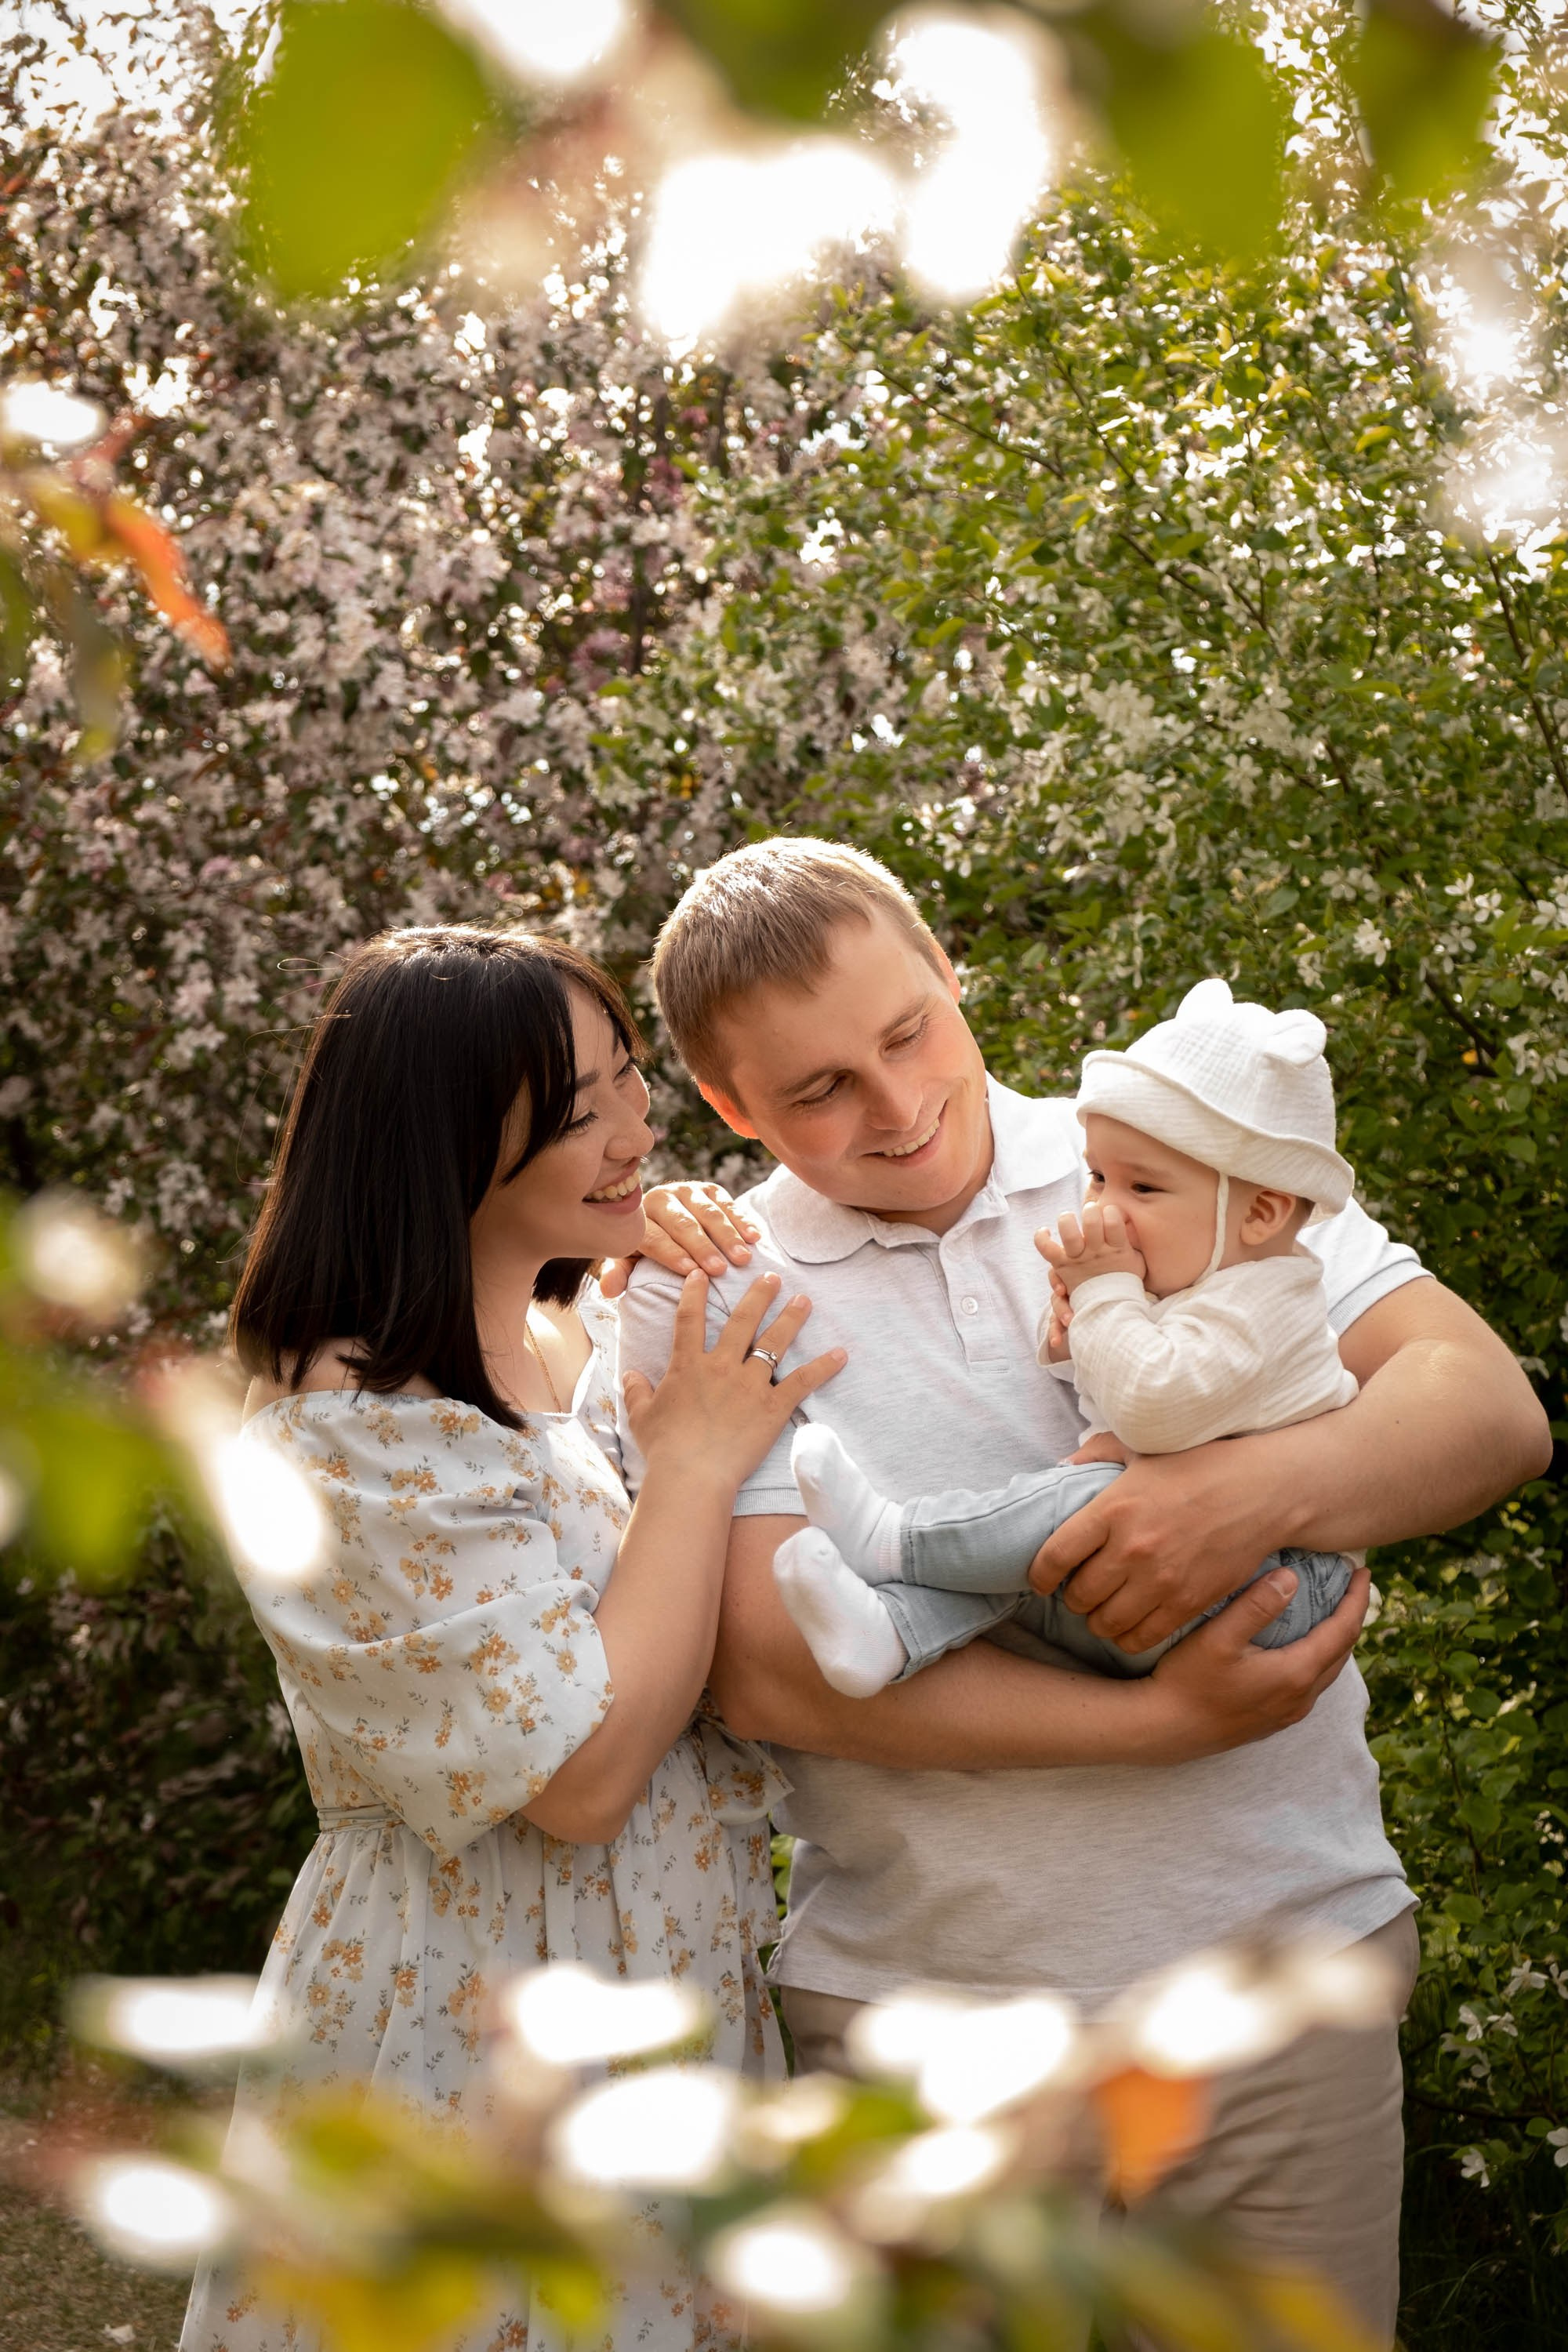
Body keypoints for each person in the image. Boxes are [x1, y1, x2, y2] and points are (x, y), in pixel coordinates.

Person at [614, 838, 1551, 2346]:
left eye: (909, 1033)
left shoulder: (1173, 1154)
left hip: (1278, 1977)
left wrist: (1233, 1499)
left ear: (952, 973)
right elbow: (774, 1672)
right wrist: (1168, 1723)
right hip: (920, 2030)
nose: (896, 1107)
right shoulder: (708, 1283)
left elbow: (1486, 1409)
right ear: (729, 1109)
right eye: (819, 1090)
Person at [180, 924, 842, 2352]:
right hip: (475, 2013)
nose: (636, 1132)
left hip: (659, 1976)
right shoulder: (349, 1428)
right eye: (582, 1108)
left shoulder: (563, 1343)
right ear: (446, 1144)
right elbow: (579, 1777)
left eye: (630, 1081)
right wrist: (696, 1465)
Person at [773, 976, 1364, 1695]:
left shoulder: (1267, 1303)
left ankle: (892, 1541)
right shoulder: (1197, 1277)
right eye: (1098, 1177)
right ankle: (894, 1634)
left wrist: (1105, 1294)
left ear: (1261, 1214)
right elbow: (1122, 1391)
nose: (1103, 1208)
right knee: (1044, 1550)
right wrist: (1073, 1330)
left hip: (1281, 1583)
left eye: (1142, 1188)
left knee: (1081, 1503)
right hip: (1200, 1571)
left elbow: (1151, 1408)